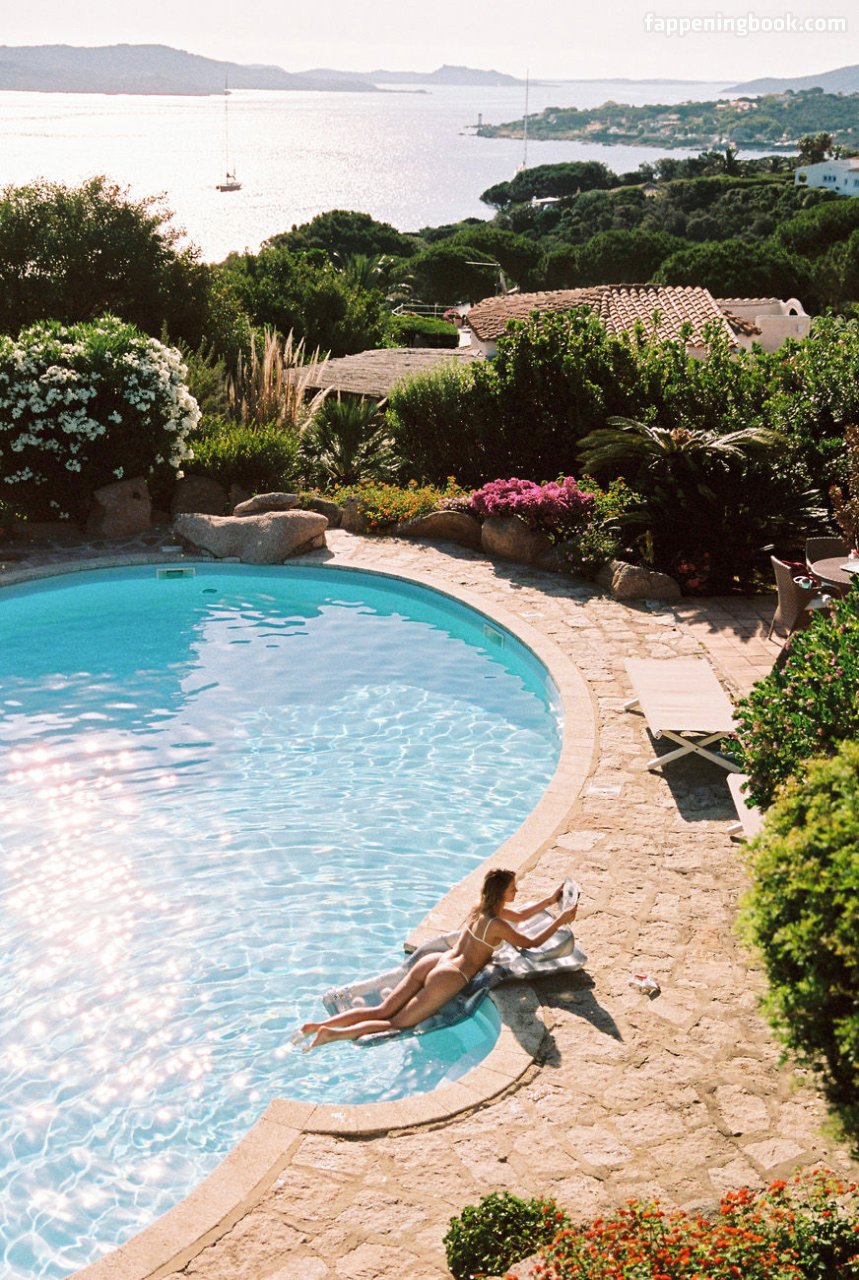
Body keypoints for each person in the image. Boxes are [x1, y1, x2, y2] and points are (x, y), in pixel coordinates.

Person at [300, 868, 578, 1049]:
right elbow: (532, 943)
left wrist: (550, 900)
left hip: (435, 961)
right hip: (450, 976)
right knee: (395, 1023)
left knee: (382, 1009)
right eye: (512, 889)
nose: (516, 892)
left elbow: (521, 915)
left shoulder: (483, 909)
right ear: (501, 893)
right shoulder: (497, 925)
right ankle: (332, 1035)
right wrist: (561, 920)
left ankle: (321, 1026)